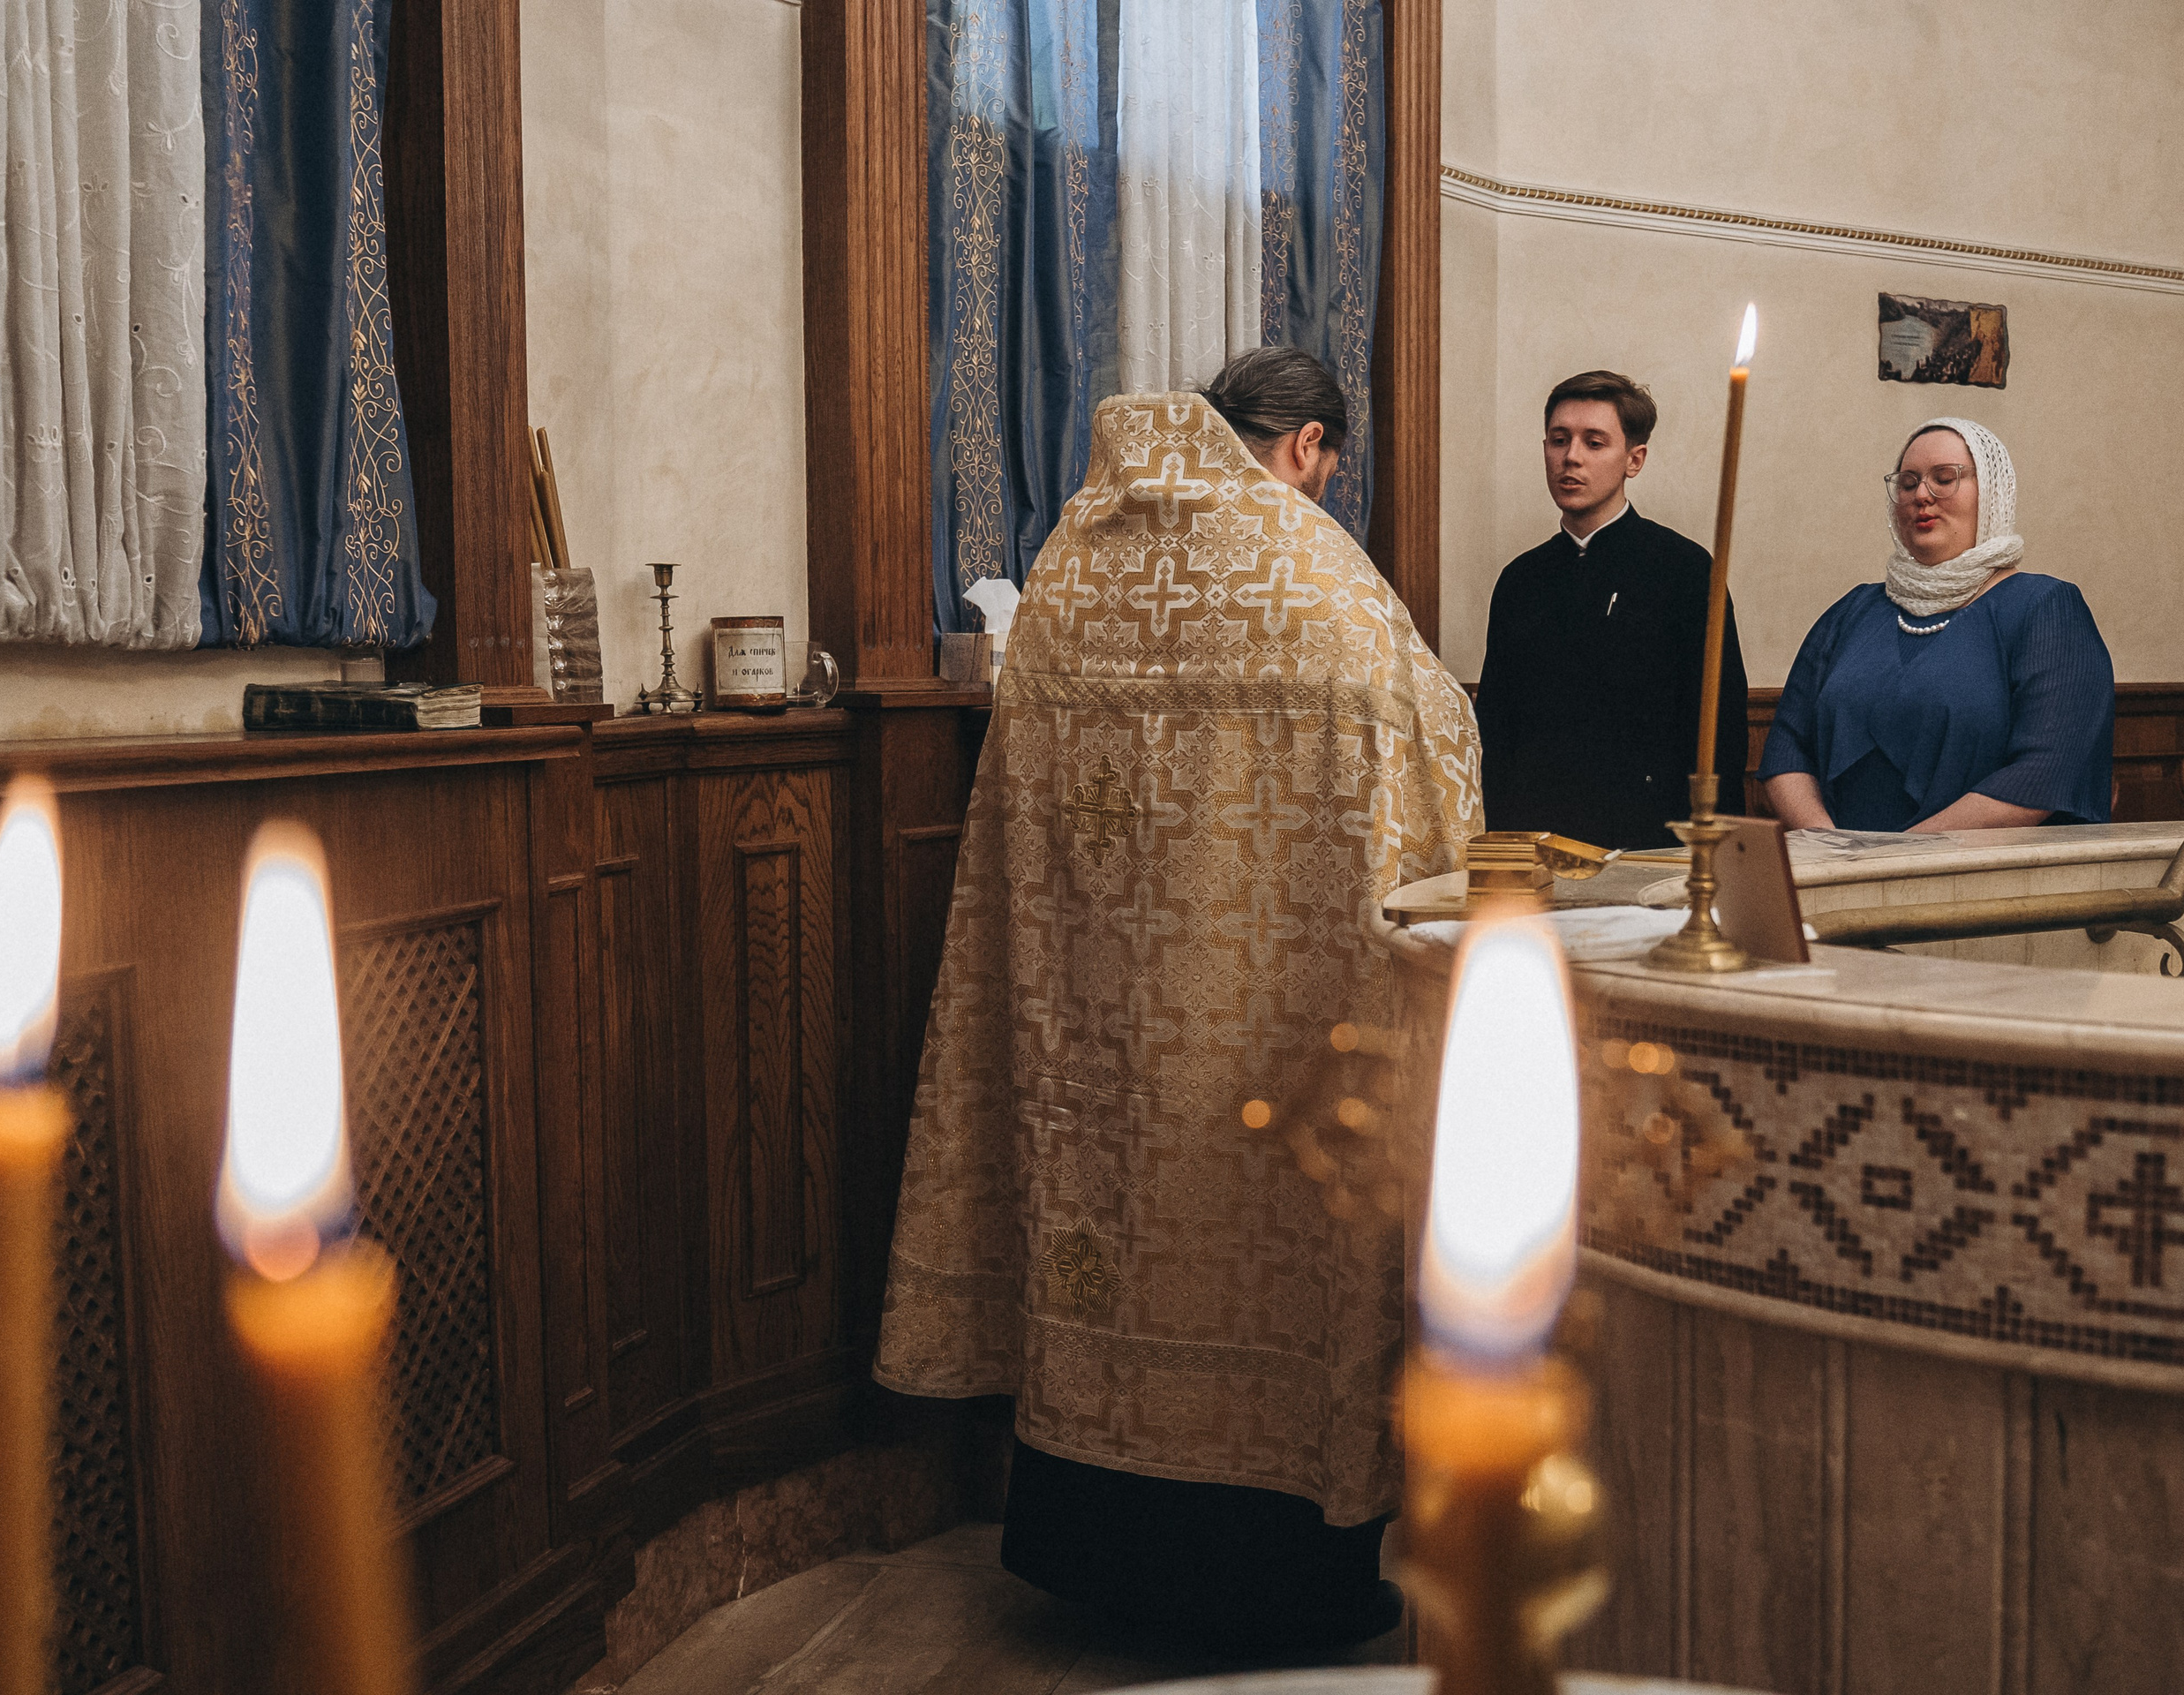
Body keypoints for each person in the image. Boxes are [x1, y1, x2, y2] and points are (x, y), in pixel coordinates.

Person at [873, 346, 1482, 1650]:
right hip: (1272, 1024)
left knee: (1102, 1244)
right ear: (1310, 449)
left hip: (1092, 1021)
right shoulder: (1318, 578)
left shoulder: (1077, 559)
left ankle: (1092, 1551)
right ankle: (1277, 1582)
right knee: (1271, 1262)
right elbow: (1430, 739)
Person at [1759, 417, 2112, 832]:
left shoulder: (2044, 607)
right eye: (1908, 483)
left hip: (1976, 881)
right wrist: (1830, 848)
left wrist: (1899, 858)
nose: (1922, 495)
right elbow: (1787, 750)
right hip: (1837, 876)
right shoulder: (1852, 611)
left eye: (1945, 478)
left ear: (1992, 494)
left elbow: (2044, 773)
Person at [1473, 371, 1749, 849]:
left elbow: (1719, 731)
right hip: (1536, 845)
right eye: (1559, 440)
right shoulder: (1520, 580)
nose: (1571, 457)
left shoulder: (1685, 570)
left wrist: (1712, 857)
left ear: (1634, 460)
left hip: (1648, 844)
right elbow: (1497, 734)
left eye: (1594, 442)